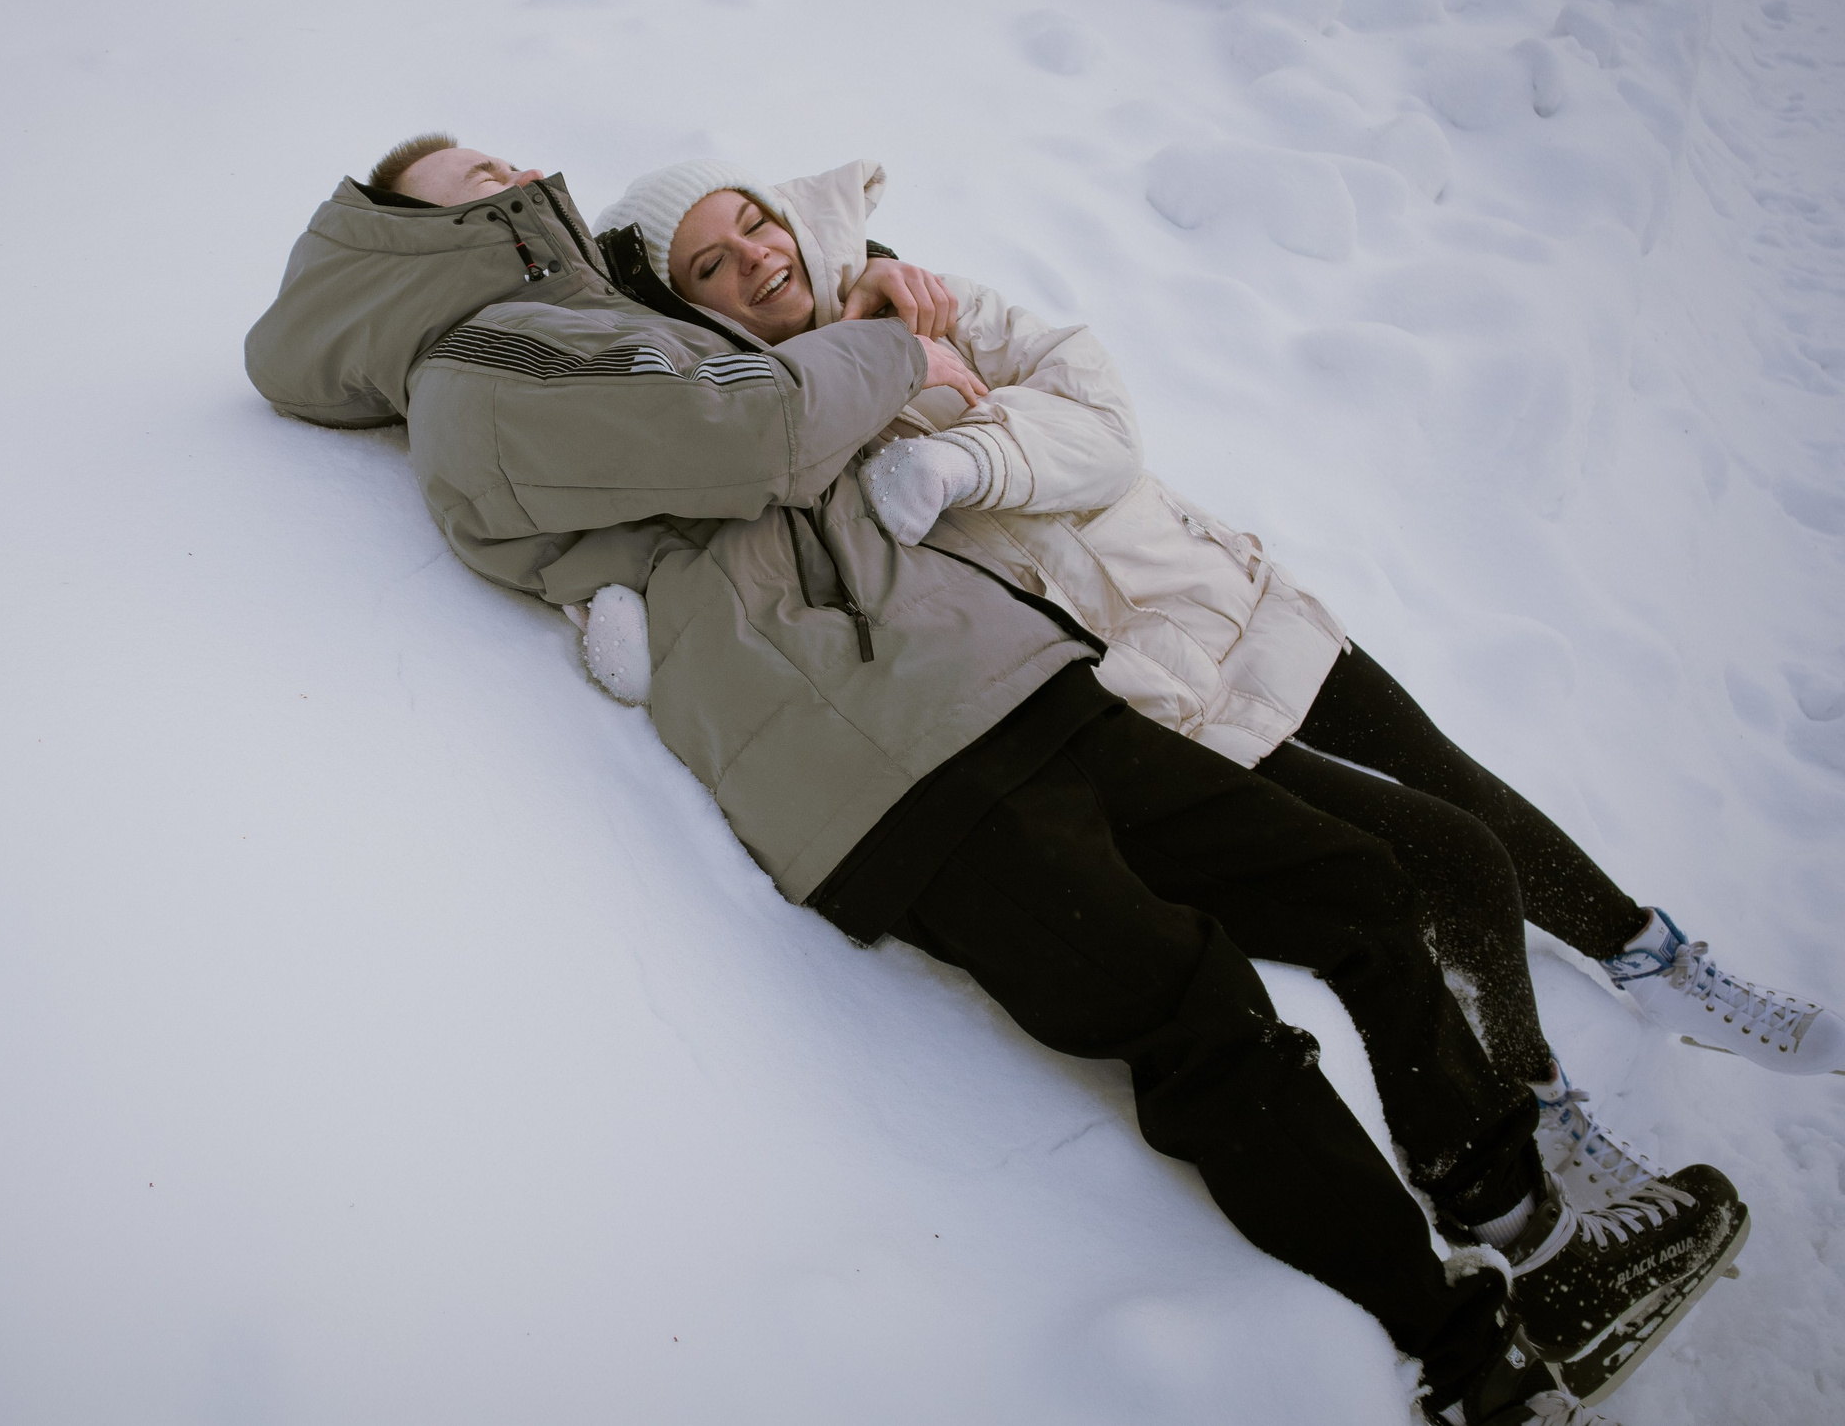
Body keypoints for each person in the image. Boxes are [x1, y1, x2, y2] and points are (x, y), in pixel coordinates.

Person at [244, 138, 1748, 1425]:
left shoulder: (575, 320)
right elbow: (750, 433)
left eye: (503, 159)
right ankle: (1469, 1360)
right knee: (1199, 1015)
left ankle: (1521, 1218)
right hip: (879, 767)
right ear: (409, 232)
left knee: (1351, 885)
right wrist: (904, 357)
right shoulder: (481, 364)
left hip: (997, 679)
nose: (514, 171)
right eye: (473, 174)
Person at [590, 158, 1845, 1153]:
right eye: (712, 262)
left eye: (752, 221)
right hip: (1141, 686)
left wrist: (966, 445)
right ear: (687, 304)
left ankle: (1653, 958)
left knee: (1449, 775)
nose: (756, 256)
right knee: (1440, 856)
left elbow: (1102, 422)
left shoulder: (912, 286)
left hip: (1212, 585)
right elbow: (868, 547)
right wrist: (939, 407)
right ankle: (1537, 1106)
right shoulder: (782, 428)